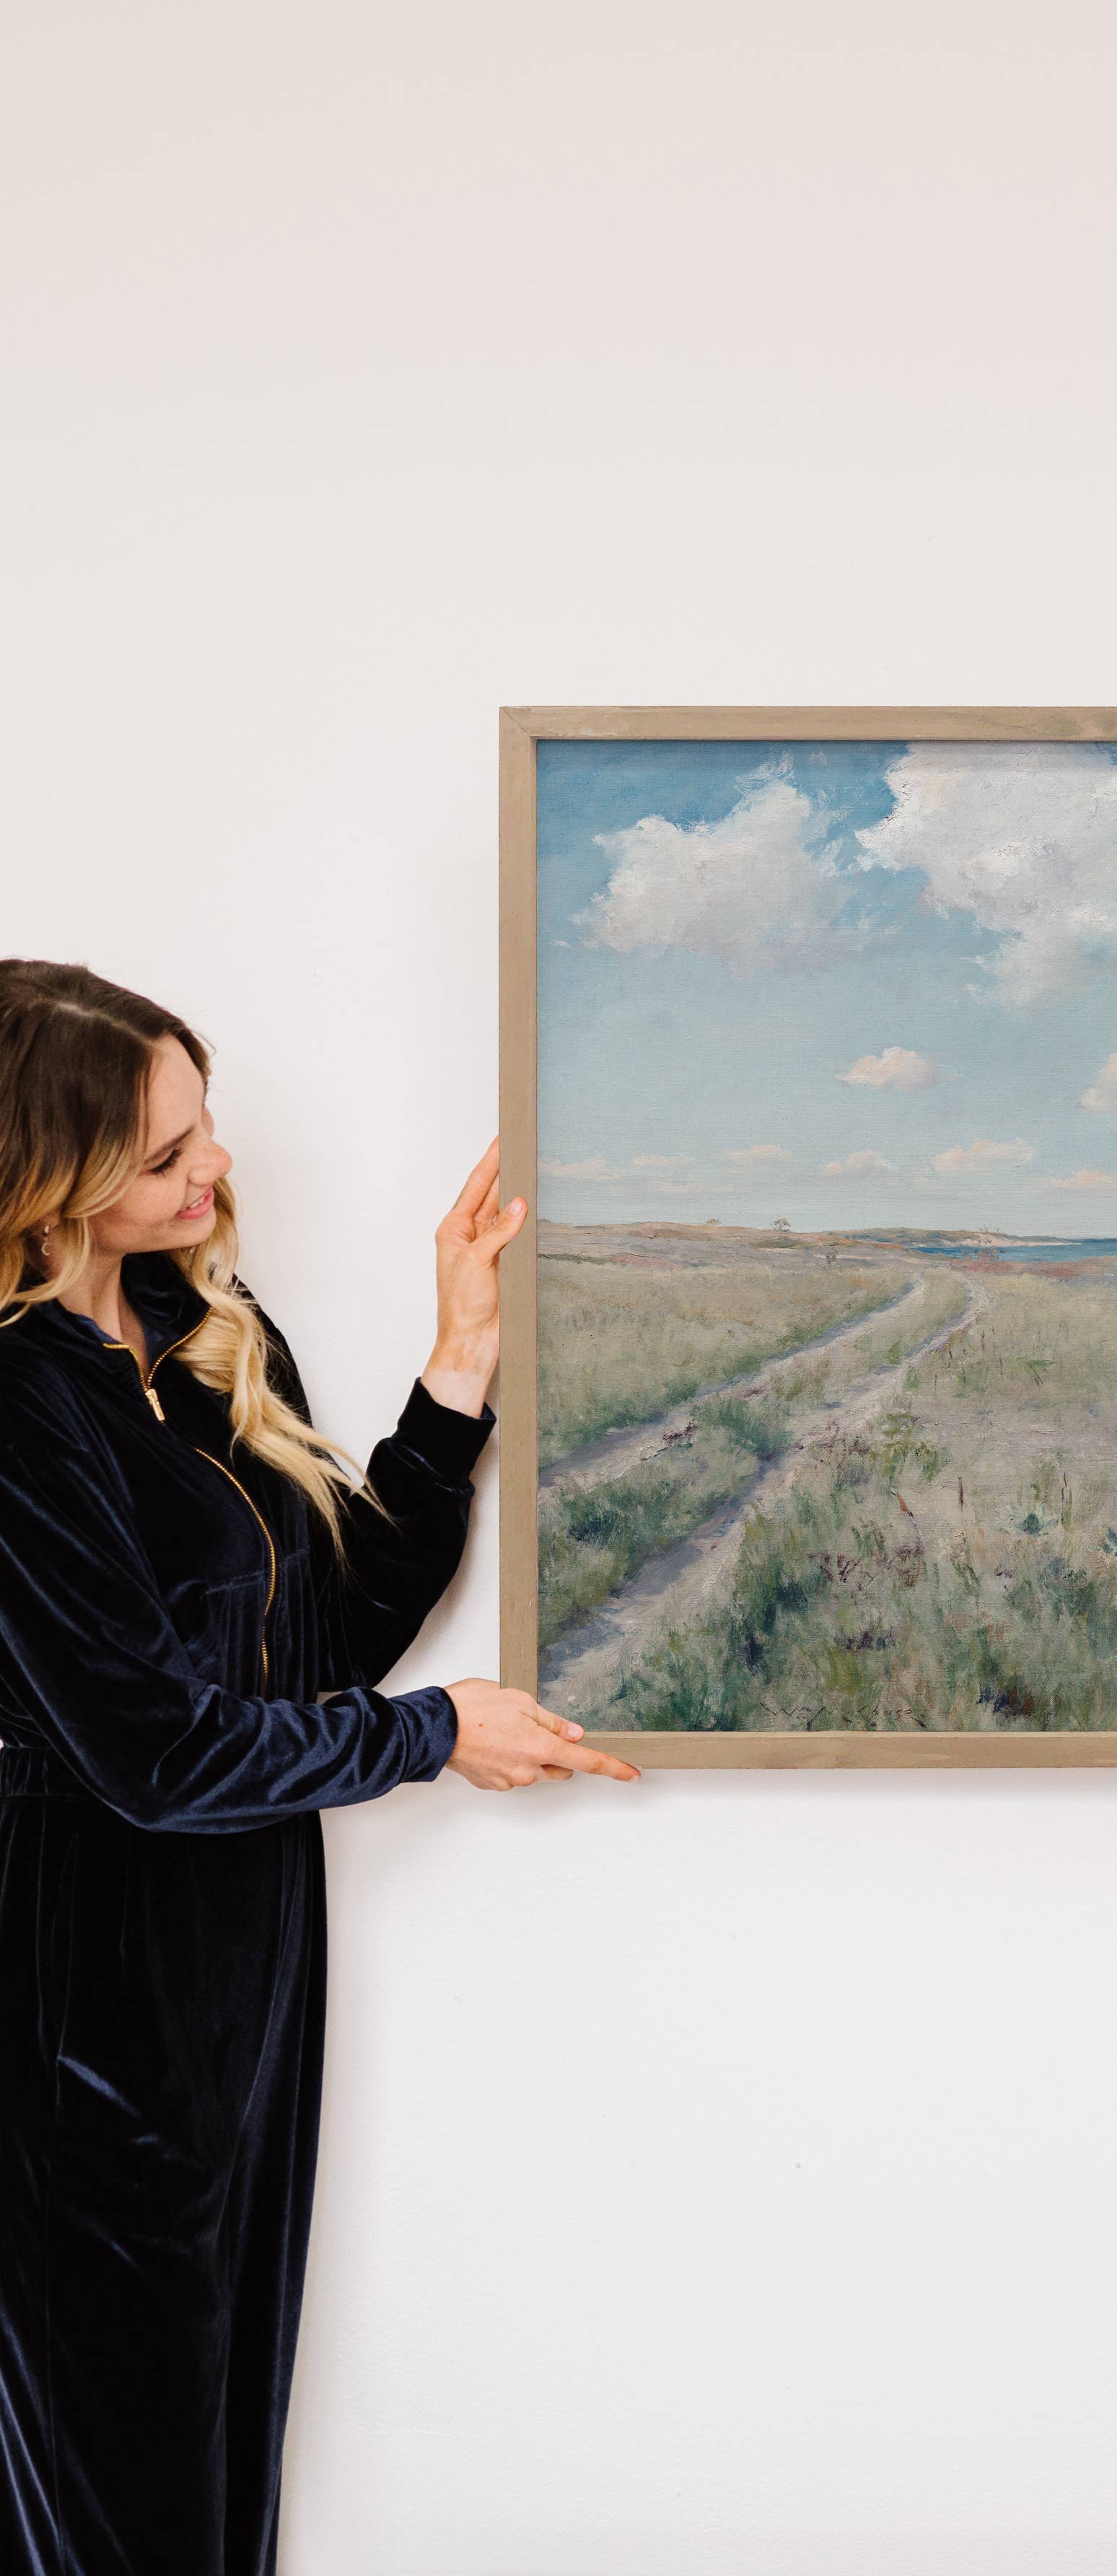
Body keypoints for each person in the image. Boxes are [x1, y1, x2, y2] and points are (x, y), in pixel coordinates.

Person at [0, 960, 638, 2576]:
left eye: (206, 1127)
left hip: (237, 1973)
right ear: (42, 1177)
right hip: (70, 1999)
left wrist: (461, 1360)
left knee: (209, 2459)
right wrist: (436, 1738)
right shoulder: (14, 1405)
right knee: (112, 2491)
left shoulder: (198, 1325)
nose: (213, 1173)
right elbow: (151, 1753)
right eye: (165, 1156)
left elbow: (327, 1632)